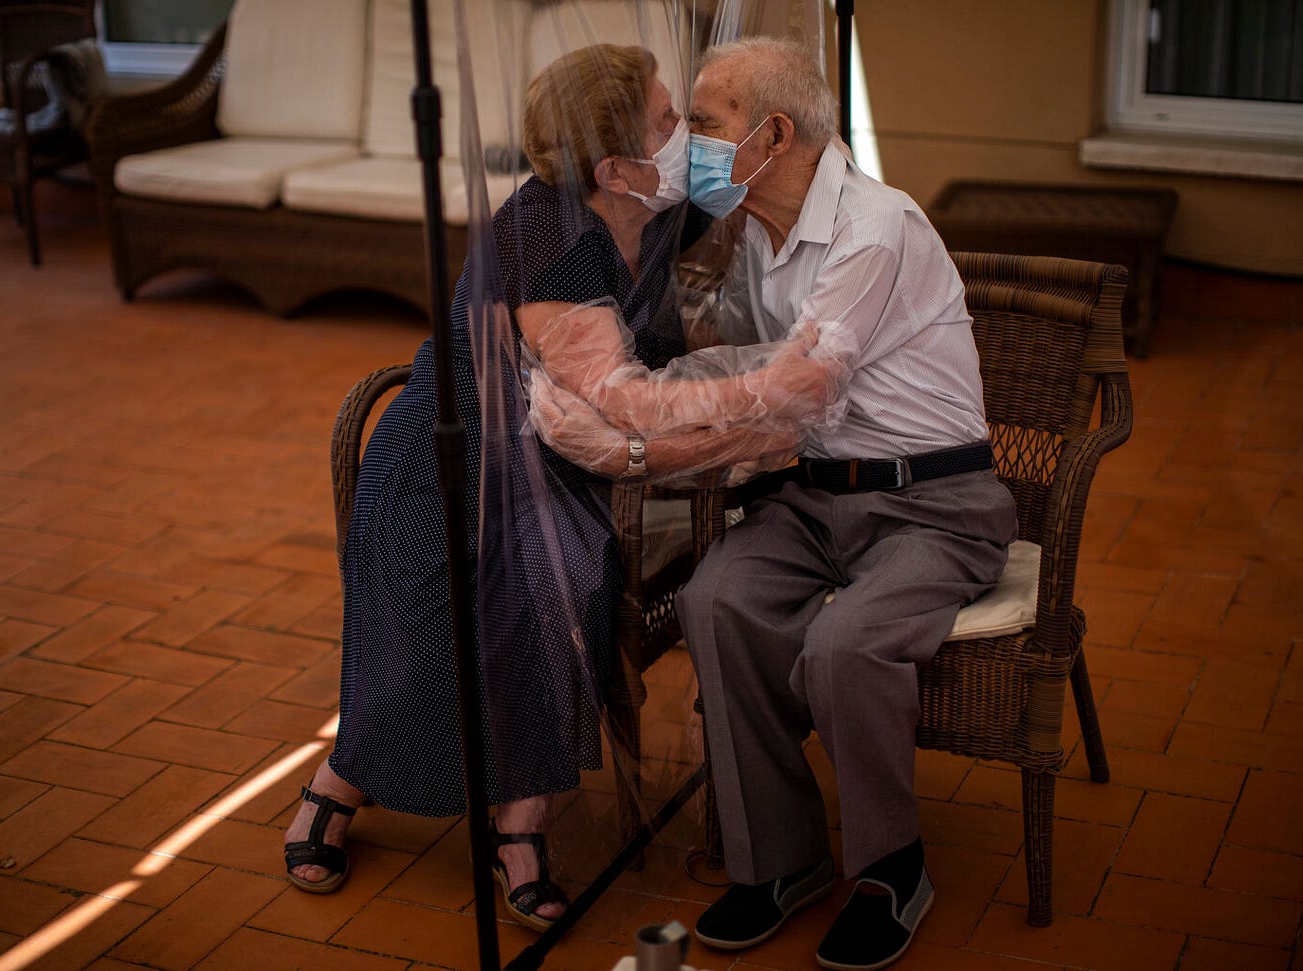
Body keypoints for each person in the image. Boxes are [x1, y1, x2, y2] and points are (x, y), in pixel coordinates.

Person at [282, 42, 838, 932]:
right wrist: (770, 393)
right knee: (444, 623)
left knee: (563, 591)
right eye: (669, 122)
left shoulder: (654, 207)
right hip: (449, 460)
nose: (684, 136)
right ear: (610, 166)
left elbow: (751, 180)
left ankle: (520, 829)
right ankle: (336, 779)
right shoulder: (548, 241)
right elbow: (625, 401)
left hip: (554, 462)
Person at [673, 37, 1019, 970]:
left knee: (845, 643)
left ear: (772, 134)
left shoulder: (878, 224)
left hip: (933, 501)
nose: (689, 144)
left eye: (705, 125)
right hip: (815, 498)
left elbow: (792, 387)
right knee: (714, 601)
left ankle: (892, 867)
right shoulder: (751, 227)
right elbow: (731, 359)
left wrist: (646, 436)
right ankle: (781, 860)